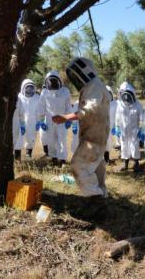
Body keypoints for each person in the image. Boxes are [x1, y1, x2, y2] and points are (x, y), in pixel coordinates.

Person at [52, 57, 109, 202]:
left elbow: (90, 109)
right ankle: (101, 195)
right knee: (96, 165)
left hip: (95, 136)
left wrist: (66, 117)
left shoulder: (94, 85)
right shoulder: (91, 86)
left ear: (84, 71)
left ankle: (94, 198)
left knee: (78, 164)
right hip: (93, 133)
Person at [37, 71, 72, 167]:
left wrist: (69, 119)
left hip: (62, 119)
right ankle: (54, 159)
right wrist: (40, 120)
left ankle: (63, 160)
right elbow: (41, 107)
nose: (52, 83)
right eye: (50, 81)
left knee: (62, 140)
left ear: (59, 80)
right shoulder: (44, 92)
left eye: (54, 81)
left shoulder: (65, 91)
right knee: (51, 140)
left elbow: (68, 106)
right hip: (49, 120)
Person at [114, 82, 142, 172]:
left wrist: (142, 130)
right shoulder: (120, 105)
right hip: (123, 130)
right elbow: (117, 117)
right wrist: (117, 127)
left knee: (135, 146)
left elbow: (142, 119)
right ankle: (125, 164)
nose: (126, 98)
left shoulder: (138, 105)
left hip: (134, 131)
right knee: (124, 146)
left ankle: (136, 163)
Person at [16, 79, 40, 158]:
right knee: (18, 139)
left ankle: (28, 154)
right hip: (20, 122)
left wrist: (38, 121)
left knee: (31, 138)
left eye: (31, 88)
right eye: (27, 88)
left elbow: (38, 111)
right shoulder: (19, 97)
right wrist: (21, 123)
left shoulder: (37, 98)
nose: (29, 90)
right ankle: (17, 156)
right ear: (23, 88)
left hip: (32, 121)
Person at [105, 86, 117, 164]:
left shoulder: (115, 104)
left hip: (111, 126)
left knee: (108, 143)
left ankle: (106, 159)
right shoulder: (100, 103)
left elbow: (118, 115)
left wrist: (116, 126)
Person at [12, 93, 24, 160]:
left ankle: (17, 160)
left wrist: (23, 125)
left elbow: (22, 114)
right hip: (4, 125)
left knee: (17, 143)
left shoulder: (19, 100)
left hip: (16, 124)